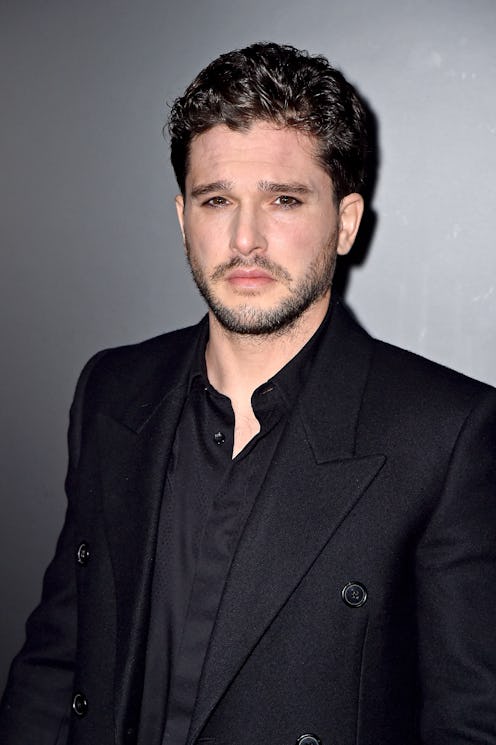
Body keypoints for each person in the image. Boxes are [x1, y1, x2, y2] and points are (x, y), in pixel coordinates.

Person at [0, 41, 495, 745]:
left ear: (346, 221)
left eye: (284, 200)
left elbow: (471, 723)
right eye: (217, 200)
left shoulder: (446, 433)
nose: (245, 239)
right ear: (182, 218)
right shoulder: (112, 390)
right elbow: (55, 662)